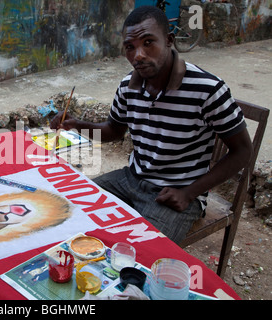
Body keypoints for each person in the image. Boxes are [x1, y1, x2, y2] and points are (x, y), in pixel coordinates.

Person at [50, 6, 253, 244]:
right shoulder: (128, 86)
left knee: (143, 252)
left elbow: (242, 151)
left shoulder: (207, 89)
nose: (138, 55)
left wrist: (189, 193)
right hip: (131, 179)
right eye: (130, 47)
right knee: (67, 210)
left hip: (175, 192)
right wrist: (77, 126)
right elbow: (114, 131)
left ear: (169, 41)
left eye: (148, 42)